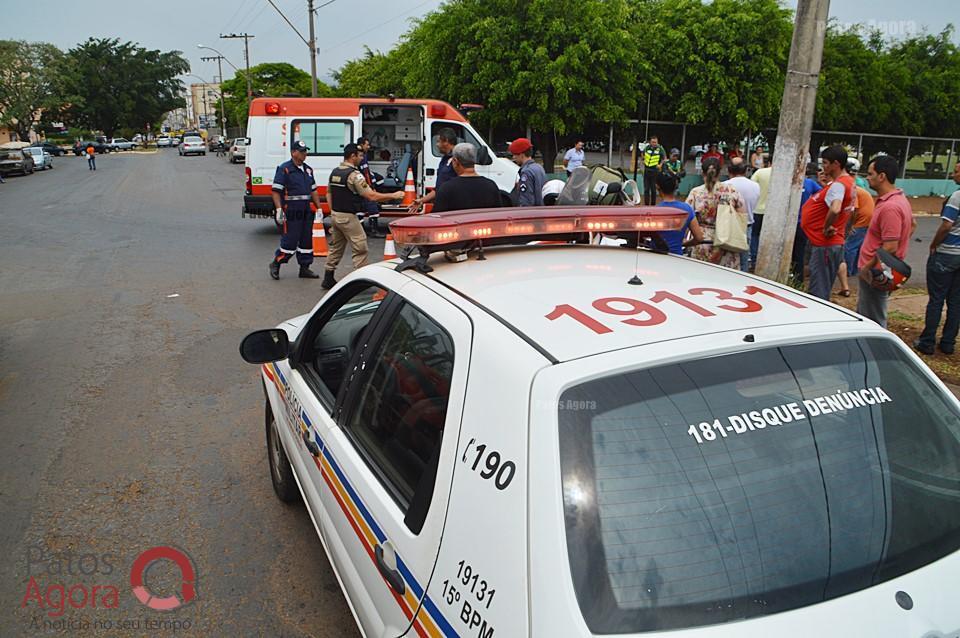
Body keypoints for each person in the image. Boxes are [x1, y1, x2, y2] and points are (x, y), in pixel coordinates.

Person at [323, 143, 406, 289]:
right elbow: (371, 195)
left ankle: (328, 277)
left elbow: (328, 193)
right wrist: (393, 195)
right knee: (360, 248)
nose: (362, 158)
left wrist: (332, 212)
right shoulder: (354, 175)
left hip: (336, 216)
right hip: (348, 217)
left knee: (336, 248)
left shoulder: (335, 172)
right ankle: (361, 283)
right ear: (352, 156)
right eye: (360, 155)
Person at [856, 155, 913, 327]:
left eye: (870, 173)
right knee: (868, 312)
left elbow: (889, 247)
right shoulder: (897, 200)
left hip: (875, 273)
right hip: (879, 271)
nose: (867, 177)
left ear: (882, 176)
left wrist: (867, 267)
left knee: (872, 319)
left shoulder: (890, 207)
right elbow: (913, 225)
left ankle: (877, 352)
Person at [800, 145, 856, 300]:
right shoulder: (847, 183)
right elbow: (851, 210)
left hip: (824, 244)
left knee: (818, 289)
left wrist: (826, 227)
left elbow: (836, 208)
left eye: (825, 163)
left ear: (836, 164)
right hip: (830, 243)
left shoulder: (839, 185)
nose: (823, 167)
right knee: (822, 284)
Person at [916, 162, 960, 354]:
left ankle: (927, 342)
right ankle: (948, 342)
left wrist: (934, 244)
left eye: (957, 171)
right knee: (956, 301)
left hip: (947, 253)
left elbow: (946, 226)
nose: (953, 174)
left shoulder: (957, 197)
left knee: (936, 299)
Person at [268, 141, 324, 280]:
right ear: (294, 152)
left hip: (306, 208)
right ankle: (276, 262)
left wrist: (319, 208)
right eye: (302, 151)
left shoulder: (308, 170)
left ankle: (304, 268)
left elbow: (313, 191)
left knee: (306, 240)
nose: (305, 153)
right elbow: (275, 192)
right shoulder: (284, 169)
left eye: (306, 150)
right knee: (290, 240)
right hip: (291, 209)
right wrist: (279, 210)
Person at [686, 156, 747, 270]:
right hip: (727, 242)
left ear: (702, 172)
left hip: (702, 242)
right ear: (720, 172)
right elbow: (742, 217)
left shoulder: (695, 193)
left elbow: (686, 218)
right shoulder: (731, 191)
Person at [432, 143, 503, 212]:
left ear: (455, 161)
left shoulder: (447, 188)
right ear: (474, 160)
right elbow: (497, 214)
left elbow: (438, 217)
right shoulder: (491, 186)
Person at [409, 128, 458, 213]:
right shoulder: (444, 159)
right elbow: (438, 189)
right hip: (442, 206)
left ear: (446, 141)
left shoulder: (457, 159)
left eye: (438, 141)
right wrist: (421, 200)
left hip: (452, 209)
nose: (437, 145)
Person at [655, 172, 702, 255]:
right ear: (676, 187)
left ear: (657, 187)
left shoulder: (654, 211)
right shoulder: (687, 209)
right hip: (677, 257)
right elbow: (699, 238)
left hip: (655, 255)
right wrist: (683, 244)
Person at [726, 158, 760, 271]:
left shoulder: (724, 186)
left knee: (726, 259)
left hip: (727, 227)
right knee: (744, 260)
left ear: (729, 170)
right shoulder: (755, 186)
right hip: (746, 226)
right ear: (745, 170)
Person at [791, 162, 823, 283]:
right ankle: (798, 280)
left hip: (792, 224)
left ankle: (793, 277)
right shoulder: (810, 183)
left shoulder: (790, 183)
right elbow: (821, 195)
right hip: (803, 223)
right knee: (799, 253)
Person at [356, 137, 383, 237]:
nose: (369, 146)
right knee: (372, 207)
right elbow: (365, 173)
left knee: (360, 210)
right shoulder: (361, 156)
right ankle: (373, 230)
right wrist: (371, 187)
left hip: (359, 187)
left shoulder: (360, 155)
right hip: (363, 186)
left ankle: (361, 231)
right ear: (362, 145)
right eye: (367, 144)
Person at [749, 156, 773, 266]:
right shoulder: (783, 174)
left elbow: (752, 186)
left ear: (768, 162)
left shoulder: (760, 172)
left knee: (755, 235)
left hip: (758, 209)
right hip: (772, 212)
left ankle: (754, 259)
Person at [508, 137, 545, 206]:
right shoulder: (539, 167)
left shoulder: (526, 172)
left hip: (531, 213)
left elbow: (526, 200)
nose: (513, 157)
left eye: (515, 154)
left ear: (522, 155)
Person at [641, 135, 666, 205]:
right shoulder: (647, 148)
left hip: (655, 171)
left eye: (655, 142)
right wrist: (643, 160)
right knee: (646, 189)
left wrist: (660, 165)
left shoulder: (660, 149)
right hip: (647, 170)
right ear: (650, 142)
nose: (654, 143)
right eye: (653, 142)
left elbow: (664, 158)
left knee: (653, 189)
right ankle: (646, 204)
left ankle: (653, 204)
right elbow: (642, 154)